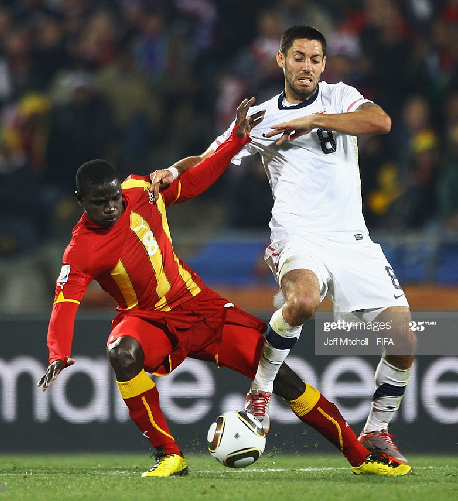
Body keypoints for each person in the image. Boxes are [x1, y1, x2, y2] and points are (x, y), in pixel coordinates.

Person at [38, 98, 411, 478]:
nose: (111, 208)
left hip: (200, 307)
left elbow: (195, 181)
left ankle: (360, 456)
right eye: (99, 203)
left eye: (114, 198)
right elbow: (64, 303)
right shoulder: (80, 250)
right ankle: (168, 454)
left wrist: (236, 139)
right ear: (80, 202)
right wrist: (58, 352)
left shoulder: (140, 190)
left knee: (280, 376)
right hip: (146, 319)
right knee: (122, 353)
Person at [152, 25, 417, 466]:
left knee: (403, 338)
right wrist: (171, 172)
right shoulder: (261, 117)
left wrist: (313, 119)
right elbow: (210, 157)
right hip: (296, 235)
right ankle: (260, 394)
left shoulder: (339, 97)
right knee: (302, 301)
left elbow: (381, 122)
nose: (307, 66)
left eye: (315, 59)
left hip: (353, 239)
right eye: (298, 57)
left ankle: (376, 431)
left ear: (324, 65)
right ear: (280, 60)